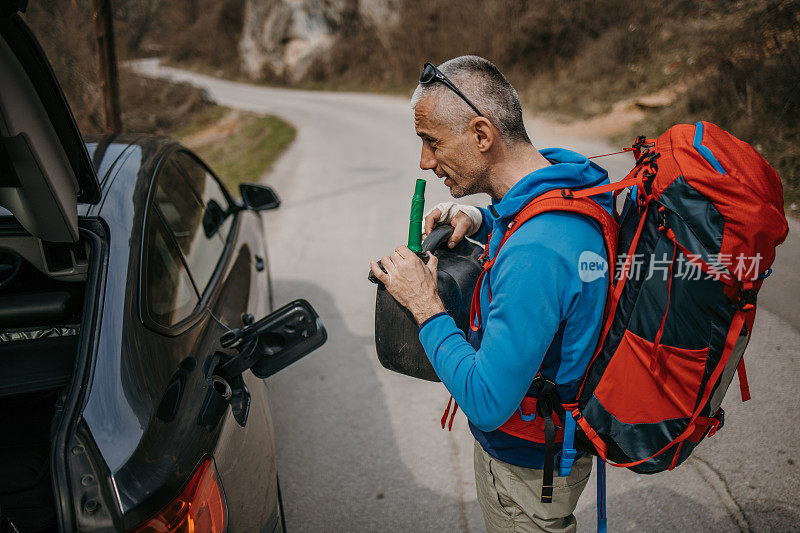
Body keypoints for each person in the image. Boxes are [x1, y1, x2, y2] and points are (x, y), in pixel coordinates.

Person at [369, 55, 612, 532]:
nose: (425, 161)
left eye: (433, 142)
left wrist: (425, 304)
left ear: (482, 135)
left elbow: (485, 400)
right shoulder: (569, 181)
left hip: (526, 470)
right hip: (550, 447)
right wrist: (484, 218)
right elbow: (546, 242)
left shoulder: (536, 252)